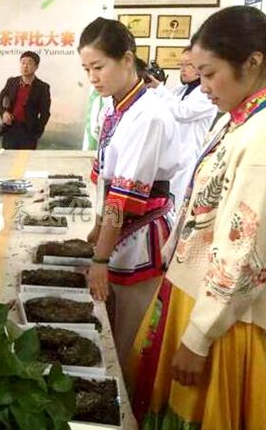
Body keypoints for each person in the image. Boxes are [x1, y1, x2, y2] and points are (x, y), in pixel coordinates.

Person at [129, 7, 266, 428]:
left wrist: (199, 337)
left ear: (253, 62)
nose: (203, 86)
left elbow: (246, 252)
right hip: (196, 292)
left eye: (209, 74)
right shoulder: (241, 118)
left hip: (224, 318)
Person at [80, 18, 182, 364]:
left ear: (126, 59)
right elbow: (106, 178)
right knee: (110, 325)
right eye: (86, 69)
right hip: (117, 232)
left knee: (127, 340)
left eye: (98, 67)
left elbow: (121, 200)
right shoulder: (115, 105)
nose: (93, 77)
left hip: (140, 236)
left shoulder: (147, 115)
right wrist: (98, 229)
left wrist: (100, 258)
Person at [147, 45, 218, 211]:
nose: (183, 69)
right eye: (181, 65)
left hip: (187, 160)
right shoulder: (181, 91)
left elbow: (181, 111)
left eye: (189, 65)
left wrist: (159, 88)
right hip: (169, 159)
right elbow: (161, 107)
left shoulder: (205, 95)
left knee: (177, 207)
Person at [0, 51, 51, 150]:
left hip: (29, 132)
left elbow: (45, 113)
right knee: (8, 158)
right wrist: (4, 114)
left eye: (29, 63)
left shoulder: (43, 87)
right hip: (10, 129)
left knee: (25, 159)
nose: (25, 66)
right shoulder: (12, 82)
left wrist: (37, 132)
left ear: (36, 67)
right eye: (23, 63)